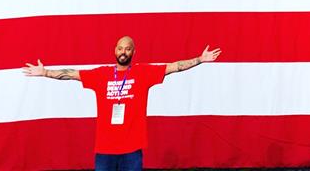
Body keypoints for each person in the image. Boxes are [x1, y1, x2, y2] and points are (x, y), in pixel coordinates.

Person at [23, 36, 222, 171]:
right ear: (115, 50)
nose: (123, 52)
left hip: (132, 148)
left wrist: (200, 59)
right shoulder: (101, 75)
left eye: (128, 48)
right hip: (105, 149)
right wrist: (45, 72)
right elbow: (72, 75)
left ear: (133, 52)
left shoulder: (143, 73)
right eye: (120, 48)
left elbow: (173, 67)